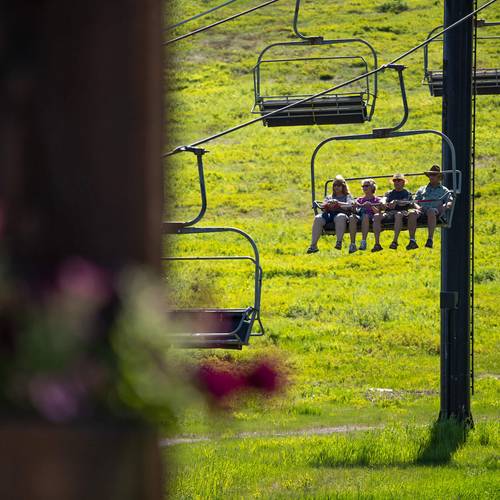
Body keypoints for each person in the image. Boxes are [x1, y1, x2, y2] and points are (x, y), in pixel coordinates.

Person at [406, 165, 453, 250]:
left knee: (431, 211)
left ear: (439, 177)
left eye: (434, 175)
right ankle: (412, 240)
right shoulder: (422, 189)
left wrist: (442, 207)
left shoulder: (444, 190)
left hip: (435, 211)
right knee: (412, 213)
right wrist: (417, 207)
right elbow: (415, 201)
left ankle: (430, 239)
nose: (431, 177)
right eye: (430, 175)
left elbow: (450, 202)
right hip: (422, 210)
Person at [307, 175, 354, 253]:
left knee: (340, 217)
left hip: (342, 214)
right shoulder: (329, 197)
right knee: (318, 218)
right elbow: (323, 206)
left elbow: (350, 205)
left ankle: (339, 242)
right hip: (329, 214)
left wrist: (338, 204)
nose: (336, 187)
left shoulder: (347, 196)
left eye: (338, 185)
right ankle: (313, 245)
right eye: (335, 185)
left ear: (343, 186)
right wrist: (327, 205)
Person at [350, 178, 383, 253]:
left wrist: (371, 206)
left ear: (372, 187)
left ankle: (363, 241)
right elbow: (355, 212)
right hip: (360, 216)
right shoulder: (360, 200)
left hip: (371, 217)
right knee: (352, 217)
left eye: (366, 186)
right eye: (363, 186)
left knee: (365, 216)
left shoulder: (377, 200)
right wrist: (354, 207)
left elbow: (377, 212)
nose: (364, 188)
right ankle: (352, 244)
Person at [382, 173, 414, 250]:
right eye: (394, 180)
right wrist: (384, 203)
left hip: (402, 212)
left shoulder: (407, 193)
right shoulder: (389, 193)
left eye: (398, 180)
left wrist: (396, 202)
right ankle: (376, 243)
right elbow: (383, 199)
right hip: (389, 213)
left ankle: (395, 240)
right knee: (376, 216)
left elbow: (406, 202)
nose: (396, 182)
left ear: (403, 182)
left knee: (398, 215)